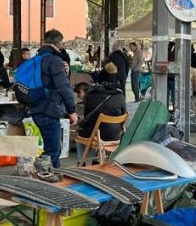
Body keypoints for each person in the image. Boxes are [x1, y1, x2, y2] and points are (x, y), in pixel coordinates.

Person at [29, 29, 78, 169]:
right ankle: (49, 180)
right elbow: (63, 87)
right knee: (53, 151)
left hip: (35, 107)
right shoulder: (54, 60)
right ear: (59, 44)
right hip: (48, 109)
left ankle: (49, 176)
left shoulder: (36, 59)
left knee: (51, 149)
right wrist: (71, 111)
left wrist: (65, 73)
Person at [73, 81, 126, 160]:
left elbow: (87, 117)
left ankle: (81, 162)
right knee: (96, 128)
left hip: (99, 135)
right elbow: (123, 113)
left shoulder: (90, 96)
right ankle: (96, 161)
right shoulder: (119, 95)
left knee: (80, 134)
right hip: (116, 135)